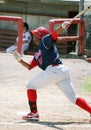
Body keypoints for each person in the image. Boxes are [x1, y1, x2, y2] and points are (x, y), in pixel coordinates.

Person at [13, 21, 91, 122]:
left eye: (36, 34)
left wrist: (62, 26)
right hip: (61, 71)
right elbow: (29, 66)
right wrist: (20, 60)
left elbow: (55, 34)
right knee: (73, 97)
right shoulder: (38, 51)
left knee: (30, 85)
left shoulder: (45, 41)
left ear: (40, 36)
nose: (34, 36)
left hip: (54, 69)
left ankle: (34, 113)